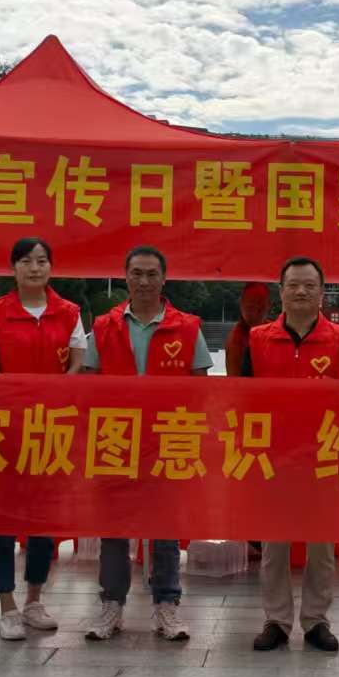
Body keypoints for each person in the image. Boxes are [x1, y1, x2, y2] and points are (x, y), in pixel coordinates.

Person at [81, 245, 209, 642]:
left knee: (165, 527)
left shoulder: (187, 327)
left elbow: (200, 387)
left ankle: (166, 605)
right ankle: (111, 605)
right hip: (115, 438)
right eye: (137, 273)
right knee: (113, 527)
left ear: (164, 279)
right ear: (125, 277)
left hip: (167, 438)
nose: (144, 281)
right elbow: (88, 383)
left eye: (152, 274)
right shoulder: (104, 326)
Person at [241, 256, 339, 652]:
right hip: (273, 456)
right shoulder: (258, 338)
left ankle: (315, 620)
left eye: (310, 285)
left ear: (321, 292)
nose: (301, 291)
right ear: (281, 292)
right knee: (273, 546)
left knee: (321, 546)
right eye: (293, 284)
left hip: (323, 454)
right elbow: (243, 399)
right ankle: (276, 620)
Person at [0, 236, 87, 641]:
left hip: (50, 431)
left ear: (51, 267)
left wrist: (53, 400)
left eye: (41, 261)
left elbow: (78, 365)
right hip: (2, 431)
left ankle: (34, 599)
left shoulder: (70, 313)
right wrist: (18, 405)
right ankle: (7, 606)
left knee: (43, 517)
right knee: (2, 519)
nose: (34, 268)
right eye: (25, 261)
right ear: (13, 268)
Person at [223, 282, 270, 380]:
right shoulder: (236, 339)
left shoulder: (272, 330)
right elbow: (234, 379)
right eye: (250, 308)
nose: (255, 313)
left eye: (260, 308)